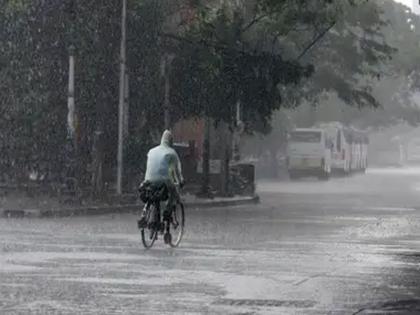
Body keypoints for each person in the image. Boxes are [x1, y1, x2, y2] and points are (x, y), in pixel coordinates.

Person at [138, 130, 184, 228]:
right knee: (173, 193)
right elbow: (177, 169)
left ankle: (144, 215)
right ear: (171, 141)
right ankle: (167, 213)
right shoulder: (172, 152)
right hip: (163, 181)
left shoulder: (151, 151)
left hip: (148, 180)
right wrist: (181, 181)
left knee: (151, 196)